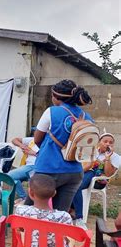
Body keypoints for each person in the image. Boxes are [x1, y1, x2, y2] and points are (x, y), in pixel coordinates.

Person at [30, 79, 93, 212]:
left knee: (31, 210)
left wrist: (50, 149)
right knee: (60, 214)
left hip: (48, 168)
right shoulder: (86, 116)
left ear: (57, 98)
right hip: (75, 172)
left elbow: (37, 139)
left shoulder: (52, 111)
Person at [71, 133, 120, 229]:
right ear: (99, 142)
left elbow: (108, 174)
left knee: (78, 184)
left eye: (111, 142)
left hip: (99, 181)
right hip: (85, 175)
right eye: (105, 141)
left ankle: (79, 218)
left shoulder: (116, 157)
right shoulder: (91, 152)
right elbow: (82, 169)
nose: (108, 144)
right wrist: (90, 164)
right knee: (71, 184)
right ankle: (71, 211)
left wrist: (107, 158)